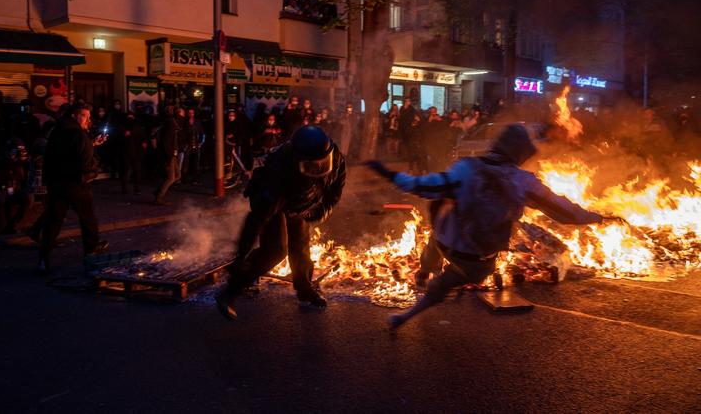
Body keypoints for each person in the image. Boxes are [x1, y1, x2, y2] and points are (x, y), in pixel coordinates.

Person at [366, 124, 613, 329]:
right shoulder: (524, 182)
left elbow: (424, 186)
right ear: (521, 155)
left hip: (445, 242)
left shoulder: (467, 168)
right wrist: (595, 217)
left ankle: (424, 272)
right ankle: (407, 313)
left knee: (434, 243)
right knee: (443, 286)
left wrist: (389, 175)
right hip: (477, 261)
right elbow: (563, 211)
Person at [215, 126, 347, 320]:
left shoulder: (336, 158)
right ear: (297, 160)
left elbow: (334, 192)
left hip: (301, 204)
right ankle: (230, 293)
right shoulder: (278, 172)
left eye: (321, 163)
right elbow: (257, 219)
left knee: (300, 247)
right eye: (311, 166)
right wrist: (241, 255)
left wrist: (318, 212)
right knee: (275, 251)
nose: (317, 169)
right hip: (275, 201)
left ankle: (304, 290)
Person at [38, 104, 108, 272]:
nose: (88, 120)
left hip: (56, 184)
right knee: (88, 219)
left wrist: (91, 144)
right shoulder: (78, 134)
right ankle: (91, 253)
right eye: (85, 116)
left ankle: (43, 258)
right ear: (76, 116)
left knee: (53, 221)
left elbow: (61, 154)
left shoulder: (57, 131)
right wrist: (93, 171)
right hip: (76, 185)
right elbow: (85, 163)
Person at [154, 106, 181, 205]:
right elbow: (166, 141)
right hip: (168, 156)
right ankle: (159, 197)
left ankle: (158, 191)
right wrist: (170, 154)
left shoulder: (172, 122)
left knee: (177, 175)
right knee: (171, 178)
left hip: (171, 154)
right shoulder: (170, 123)